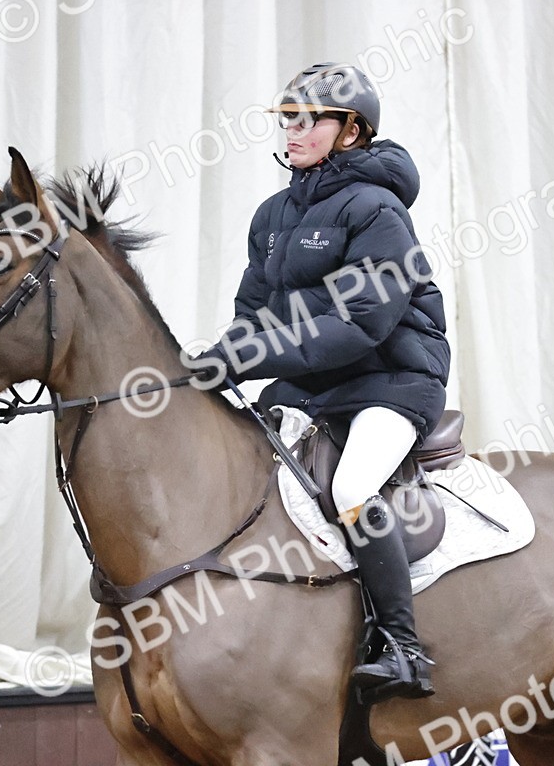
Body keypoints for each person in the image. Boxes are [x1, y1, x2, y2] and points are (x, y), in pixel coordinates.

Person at [190, 62, 451, 702]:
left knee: (353, 487)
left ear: (351, 131)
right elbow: (254, 314)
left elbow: (361, 323)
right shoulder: (273, 213)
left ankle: (402, 650)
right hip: (313, 387)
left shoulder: (378, 208)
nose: (294, 129)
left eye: (311, 119)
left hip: (391, 381)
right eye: (287, 117)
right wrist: (212, 360)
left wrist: (247, 360)